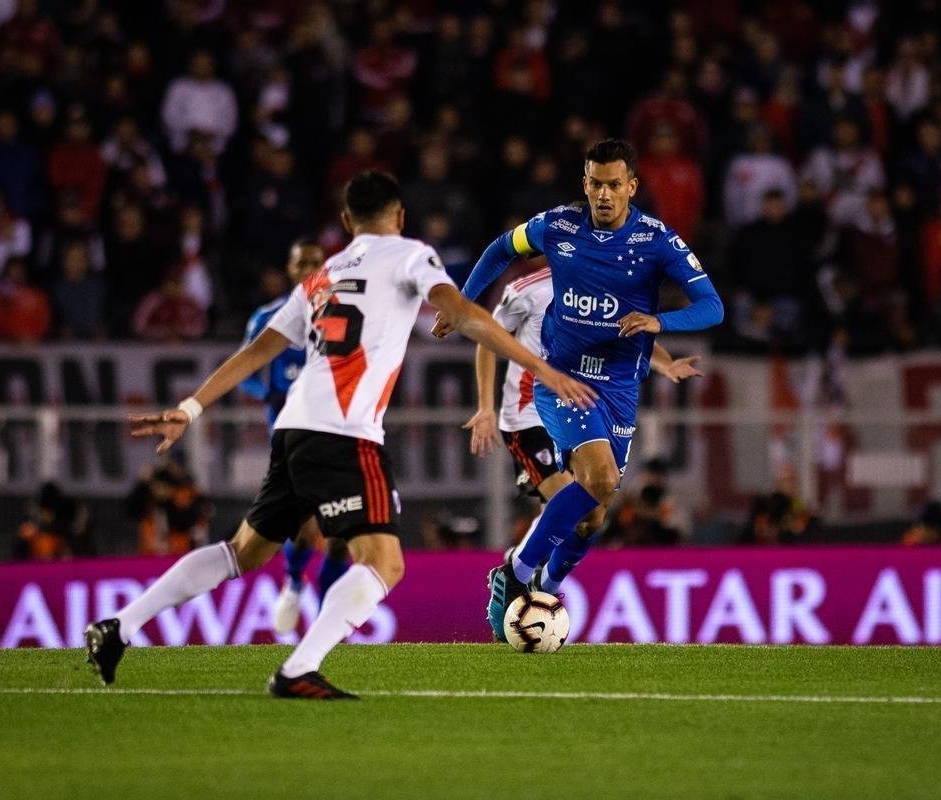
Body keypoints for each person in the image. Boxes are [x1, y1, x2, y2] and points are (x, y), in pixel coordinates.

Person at [85, 171, 595, 699]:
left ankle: (119, 626)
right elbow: (463, 313)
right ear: (400, 218)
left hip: (294, 427)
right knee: (385, 562)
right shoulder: (409, 255)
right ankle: (297, 669)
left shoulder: (323, 274)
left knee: (244, 551)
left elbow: (258, 350)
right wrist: (544, 368)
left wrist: (190, 408)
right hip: (344, 433)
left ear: (347, 221)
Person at [434, 139, 723, 641]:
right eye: (595, 183)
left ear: (632, 186)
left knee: (593, 516)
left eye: (614, 184)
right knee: (601, 478)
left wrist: (659, 320)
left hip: (620, 387)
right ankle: (516, 572)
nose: (604, 194)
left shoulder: (657, 241)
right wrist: (463, 300)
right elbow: (501, 248)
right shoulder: (558, 226)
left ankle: (547, 587)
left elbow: (712, 306)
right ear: (584, 184)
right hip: (563, 379)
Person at [464, 266, 703, 593]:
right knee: (571, 501)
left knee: (592, 515)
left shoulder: (610, 284)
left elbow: (635, 338)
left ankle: (540, 587)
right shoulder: (528, 289)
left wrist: (667, 364)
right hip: (530, 415)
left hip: (583, 410)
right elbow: (486, 335)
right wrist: (485, 407)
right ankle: (517, 576)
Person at [237, 240, 351, 633]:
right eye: (301, 262)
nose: (308, 267)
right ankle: (293, 580)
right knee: (305, 530)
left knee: (341, 534)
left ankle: (327, 617)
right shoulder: (269, 317)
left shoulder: (342, 313)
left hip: (338, 437)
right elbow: (247, 372)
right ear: (290, 267)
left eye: (315, 262)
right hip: (291, 442)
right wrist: (269, 392)